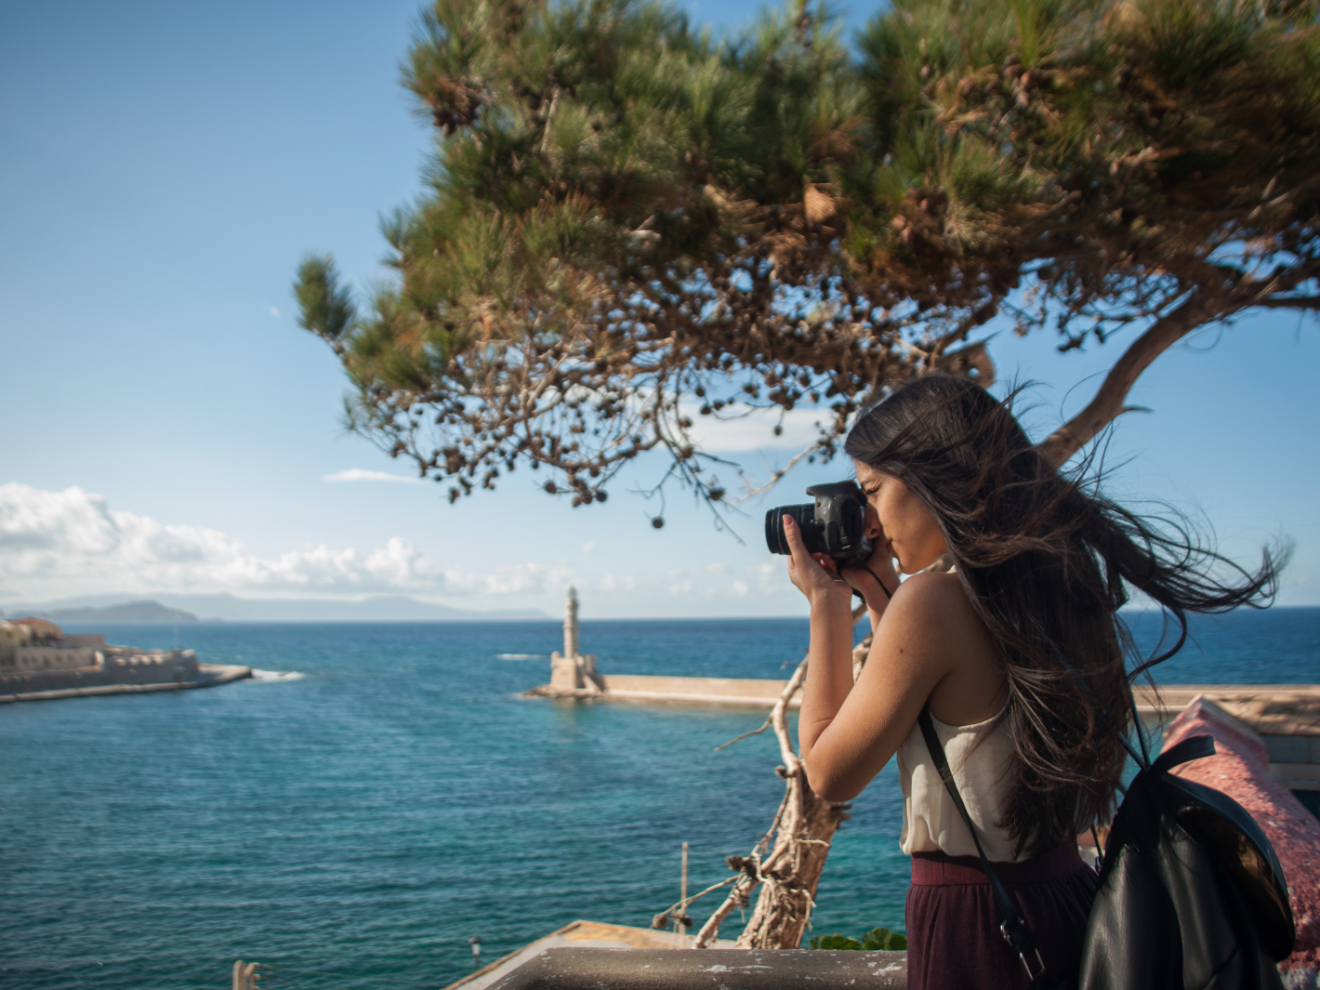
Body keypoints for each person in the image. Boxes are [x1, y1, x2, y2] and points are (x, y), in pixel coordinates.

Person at [781, 373, 1283, 990]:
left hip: (980, 923)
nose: (873, 523)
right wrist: (881, 590)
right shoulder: (1060, 587)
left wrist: (827, 606)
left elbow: (830, 774)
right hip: (1070, 899)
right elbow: (942, 702)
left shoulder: (932, 602)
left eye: (874, 492)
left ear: (935, 477)